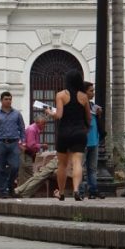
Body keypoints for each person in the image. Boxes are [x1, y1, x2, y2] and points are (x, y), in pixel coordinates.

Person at [47, 69, 90, 201]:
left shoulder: (61, 95)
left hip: (64, 132)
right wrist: (86, 129)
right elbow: (88, 117)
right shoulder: (84, 97)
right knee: (77, 162)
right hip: (79, 131)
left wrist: (49, 112)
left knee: (62, 164)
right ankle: (76, 190)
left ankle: (61, 192)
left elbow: (59, 115)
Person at [0, 91, 26, 198]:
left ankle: (10, 187)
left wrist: (23, 142)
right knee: (0, 168)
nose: (8, 101)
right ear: (1, 100)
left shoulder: (17, 114)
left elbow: (22, 129)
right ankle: (2, 191)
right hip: (0, 143)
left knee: (15, 166)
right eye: (6, 99)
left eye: (10, 99)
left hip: (14, 144)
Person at [82, 82, 102, 199]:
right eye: (91, 91)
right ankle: (80, 191)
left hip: (94, 140)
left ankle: (93, 190)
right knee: (81, 166)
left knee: (92, 168)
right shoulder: (80, 106)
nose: (93, 93)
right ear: (84, 92)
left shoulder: (92, 105)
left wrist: (99, 113)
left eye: (93, 91)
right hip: (83, 141)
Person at [18, 115, 48, 186]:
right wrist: (42, 145)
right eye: (43, 124)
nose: (45, 125)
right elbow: (30, 145)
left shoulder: (35, 129)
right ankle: (23, 191)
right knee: (26, 171)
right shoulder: (32, 129)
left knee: (27, 172)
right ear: (38, 123)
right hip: (24, 152)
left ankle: (25, 191)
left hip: (27, 152)